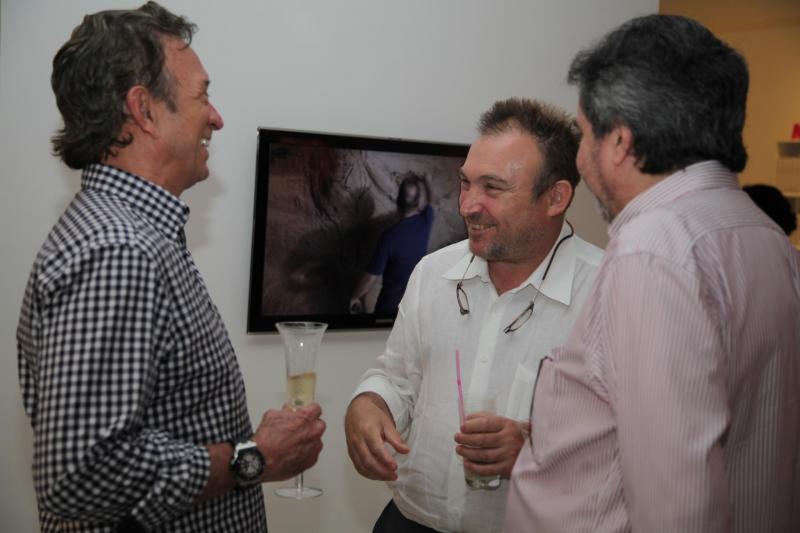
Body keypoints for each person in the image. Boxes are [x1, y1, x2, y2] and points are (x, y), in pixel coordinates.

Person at [16, 3, 325, 532]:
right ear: (144, 109)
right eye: (202, 95)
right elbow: (81, 472)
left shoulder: (138, 235)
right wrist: (254, 457)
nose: (216, 117)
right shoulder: (118, 249)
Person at [505, 15, 800, 533]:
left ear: (620, 141)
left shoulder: (652, 251)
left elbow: (677, 507)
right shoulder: (766, 236)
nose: (581, 156)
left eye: (585, 134)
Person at [344, 98, 604, 533]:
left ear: (555, 198)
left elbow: (640, 443)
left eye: (493, 188)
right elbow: (396, 376)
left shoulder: (608, 293)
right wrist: (368, 404)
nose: (467, 205)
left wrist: (536, 448)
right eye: (465, 183)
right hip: (409, 522)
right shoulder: (432, 273)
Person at [350, 171, 435, 315]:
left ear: (398, 201)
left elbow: (370, 277)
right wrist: (427, 181)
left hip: (389, 311)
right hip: (414, 310)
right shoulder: (425, 222)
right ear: (418, 203)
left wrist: (355, 296)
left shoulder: (389, 237)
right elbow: (432, 202)